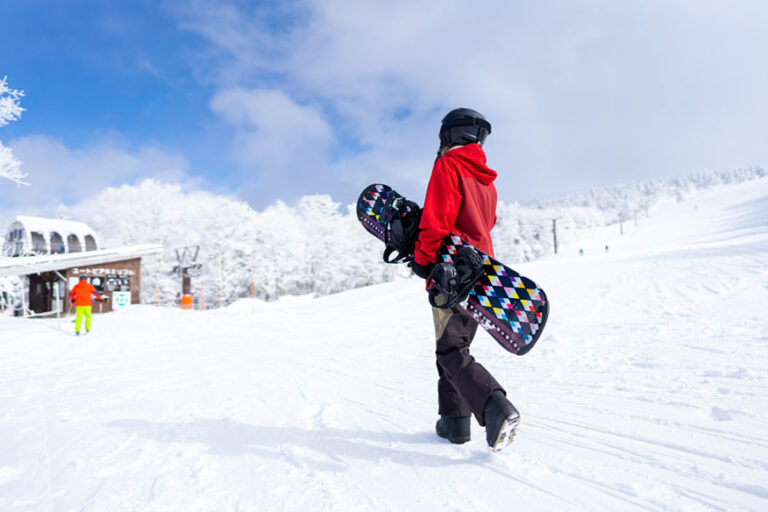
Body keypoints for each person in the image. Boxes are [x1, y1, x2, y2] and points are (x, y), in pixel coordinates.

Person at [410, 108, 520, 451]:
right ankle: (454, 422)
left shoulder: (448, 165)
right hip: (481, 273)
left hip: (450, 270)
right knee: (455, 346)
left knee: (451, 350)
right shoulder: (487, 179)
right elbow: (486, 224)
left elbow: (436, 220)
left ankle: (493, 405)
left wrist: (423, 260)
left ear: (449, 135)